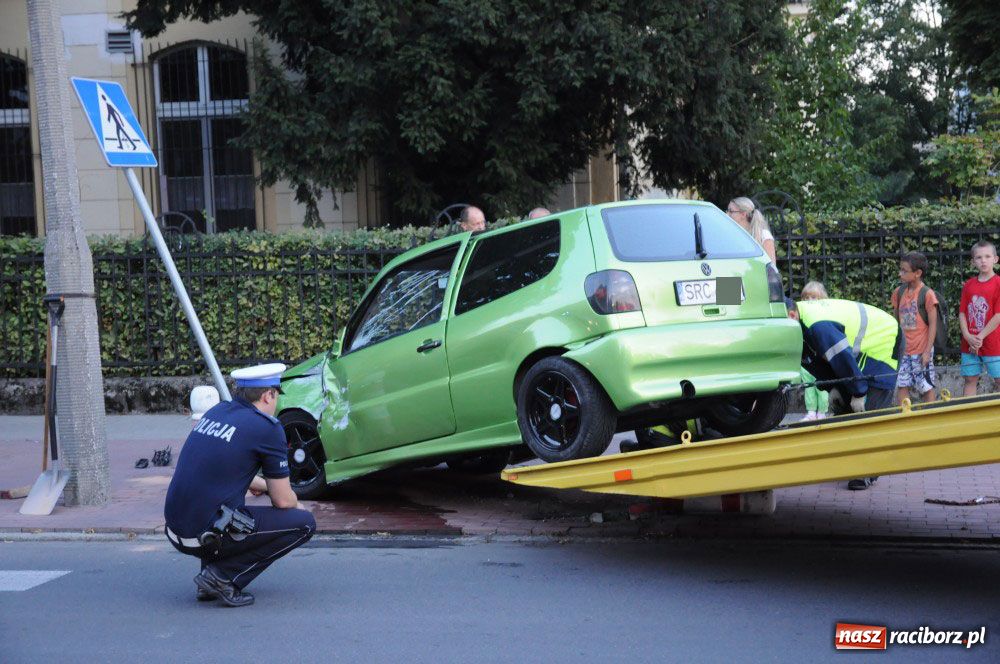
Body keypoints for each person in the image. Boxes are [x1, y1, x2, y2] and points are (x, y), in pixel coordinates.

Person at [164, 363, 315, 607]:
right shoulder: (268, 428)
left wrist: (262, 484)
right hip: (204, 535)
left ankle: (210, 579)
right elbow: (283, 501)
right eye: (276, 397)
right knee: (304, 523)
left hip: (175, 529)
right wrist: (299, 505)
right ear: (268, 395)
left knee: (224, 506)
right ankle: (222, 577)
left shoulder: (218, 411)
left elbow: (216, 471)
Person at [786, 297, 901, 490]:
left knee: (869, 411)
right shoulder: (801, 322)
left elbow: (842, 357)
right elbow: (814, 361)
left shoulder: (818, 325)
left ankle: (867, 472)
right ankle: (851, 465)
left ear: (791, 316)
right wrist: (832, 388)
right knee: (845, 411)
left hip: (882, 341)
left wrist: (859, 392)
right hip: (863, 346)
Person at [892, 252, 939, 404]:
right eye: (900, 269)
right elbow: (896, 321)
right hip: (904, 351)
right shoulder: (898, 293)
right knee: (902, 385)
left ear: (918, 273)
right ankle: (904, 419)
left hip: (921, 351)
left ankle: (931, 419)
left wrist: (927, 352)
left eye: (904, 271)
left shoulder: (927, 294)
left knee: (926, 386)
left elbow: (933, 324)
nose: (900, 273)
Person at [959, 240, 1000, 396]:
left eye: (988, 256)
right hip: (969, 343)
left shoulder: (998, 283)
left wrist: (980, 337)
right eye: (979, 257)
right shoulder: (968, 285)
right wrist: (968, 336)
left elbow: (998, 315)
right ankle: (967, 415)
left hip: (993, 342)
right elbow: (962, 313)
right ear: (973, 261)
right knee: (970, 379)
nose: (983, 260)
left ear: (995, 259)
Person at [798, 281, 830, 421]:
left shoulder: (825, 314)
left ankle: (823, 411)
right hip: (807, 358)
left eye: (813, 297)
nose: (809, 301)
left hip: (820, 356)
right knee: (808, 386)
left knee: (822, 386)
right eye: (806, 298)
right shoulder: (801, 314)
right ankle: (811, 412)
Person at [726, 197, 777, 263]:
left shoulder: (764, 235)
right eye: (727, 211)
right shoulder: (732, 234)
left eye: (731, 211)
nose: (727, 214)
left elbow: (772, 267)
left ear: (743, 214)